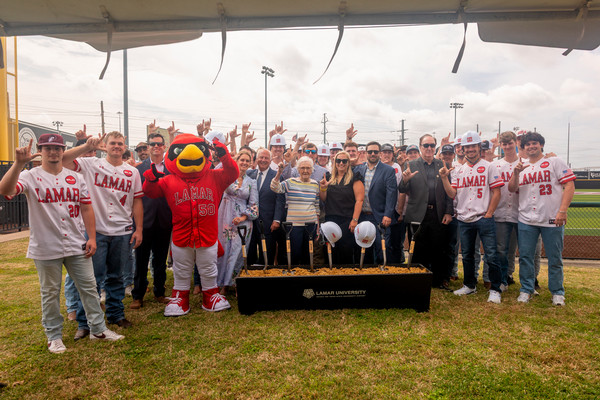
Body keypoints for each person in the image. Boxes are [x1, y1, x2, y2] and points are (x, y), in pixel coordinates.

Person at [0, 134, 124, 353]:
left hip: (76, 243)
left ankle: (98, 329)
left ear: (62, 150)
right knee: (50, 292)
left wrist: (92, 237)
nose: (53, 152)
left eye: (57, 148)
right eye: (47, 148)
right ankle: (54, 335)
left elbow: (86, 207)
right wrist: (19, 164)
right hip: (45, 246)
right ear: (40, 150)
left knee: (89, 288)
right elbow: (5, 190)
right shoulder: (30, 175)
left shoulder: (75, 177)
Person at [143, 134, 238, 315]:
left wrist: (224, 155)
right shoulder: (169, 180)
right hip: (182, 235)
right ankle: (180, 298)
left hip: (207, 234)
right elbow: (152, 192)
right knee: (181, 268)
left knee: (209, 267)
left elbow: (233, 173)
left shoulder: (215, 176)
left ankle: (210, 295)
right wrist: (151, 179)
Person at [62, 131, 144, 333]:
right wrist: (87, 147)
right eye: (112, 143)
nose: (116, 146)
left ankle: (116, 314)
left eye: (120, 143)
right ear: (105, 146)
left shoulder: (132, 172)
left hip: (122, 230)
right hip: (95, 230)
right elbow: (63, 160)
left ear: (125, 147)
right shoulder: (91, 164)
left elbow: (137, 201)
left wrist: (139, 229)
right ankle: (84, 322)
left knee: (116, 277)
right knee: (91, 279)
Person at [509, 131, 575, 305]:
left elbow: (569, 185)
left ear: (541, 145)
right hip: (526, 218)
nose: (531, 146)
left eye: (534, 143)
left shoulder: (554, 161)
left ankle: (557, 292)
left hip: (551, 217)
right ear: (523, 147)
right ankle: (526, 289)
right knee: (525, 257)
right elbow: (511, 189)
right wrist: (515, 173)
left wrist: (563, 210)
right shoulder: (521, 166)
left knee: (554, 257)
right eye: (528, 144)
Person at [439, 131, 504, 304]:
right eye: (467, 147)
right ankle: (470, 285)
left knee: (491, 254)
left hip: (483, 216)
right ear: (463, 149)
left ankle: (496, 289)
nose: (470, 150)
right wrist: (445, 179)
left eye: (473, 146)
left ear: (479, 147)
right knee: (467, 254)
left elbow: (497, 192)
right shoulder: (459, 170)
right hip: (464, 218)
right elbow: (452, 193)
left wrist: (489, 213)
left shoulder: (490, 166)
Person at [399, 134, 453, 289]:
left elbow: (449, 192)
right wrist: (405, 180)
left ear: (435, 147)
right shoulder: (411, 165)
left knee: (439, 249)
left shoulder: (443, 164)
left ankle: (438, 281)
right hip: (417, 213)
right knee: (417, 249)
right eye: (425, 145)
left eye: (432, 145)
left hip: (438, 213)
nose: (429, 148)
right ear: (420, 146)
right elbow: (402, 189)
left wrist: (449, 212)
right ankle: (418, 281)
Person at [130, 132, 173, 309]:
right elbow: (135, 197)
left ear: (164, 147)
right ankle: (138, 295)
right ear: (148, 147)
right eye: (152, 144)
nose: (156, 146)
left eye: (159, 144)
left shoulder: (172, 170)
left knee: (160, 260)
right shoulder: (138, 169)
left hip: (164, 221)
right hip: (143, 221)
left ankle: (159, 292)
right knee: (141, 260)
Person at [217, 150, 258, 293]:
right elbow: (216, 169)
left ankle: (234, 283)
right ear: (237, 160)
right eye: (242, 160)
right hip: (225, 218)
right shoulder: (227, 176)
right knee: (224, 250)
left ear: (251, 163)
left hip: (243, 221)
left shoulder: (251, 182)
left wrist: (242, 217)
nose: (245, 163)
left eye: (248, 161)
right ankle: (221, 283)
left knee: (237, 252)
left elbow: (254, 207)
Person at [354, 141, 398, 264]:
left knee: (382, 249)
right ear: (366, 153)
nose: (372, 154)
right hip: (362, 216)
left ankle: (383, 277)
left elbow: (392, 194)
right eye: (370, 151)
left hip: (380, 217)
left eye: (375, 151)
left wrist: (388, 214)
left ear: (380, 153)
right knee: (364, 250)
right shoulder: (359, 169)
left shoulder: (388, 170)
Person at [271, 156, 319, 265]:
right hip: (294, 225)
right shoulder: (290, 182)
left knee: (309, 254)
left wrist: (317, 224)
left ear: (312, 169)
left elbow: (316, 205)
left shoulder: (315, 184)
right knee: (295, 254)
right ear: (298, 169)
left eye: (308, 168)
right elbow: (275, 187)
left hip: (311, 224)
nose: (305, 171)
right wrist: (279, 172)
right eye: (302, 168)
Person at [319, 151, 365, 264]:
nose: (341, 163)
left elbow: (359, 200)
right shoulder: (328, 177)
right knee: (330, 251)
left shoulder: (355, 177)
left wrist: (355, 220)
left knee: (346, 251)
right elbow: (324, 199)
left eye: (344, 161)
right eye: (338, 160)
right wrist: (323, 188)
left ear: (348, 163)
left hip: (347, 220)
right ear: (334, 162)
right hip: (330, 220)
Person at [246, 148, 286, 266]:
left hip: (268, 223)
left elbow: (280, 200)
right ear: (256, 159)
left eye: (266, 158)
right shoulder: (249, 175)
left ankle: (265, 280)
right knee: (250, 253)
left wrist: (277, 220)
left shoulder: (277, 175)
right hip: (250, 223)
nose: (263, 160)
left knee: (267, 254)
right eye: (261, 157)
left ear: (270, 160)